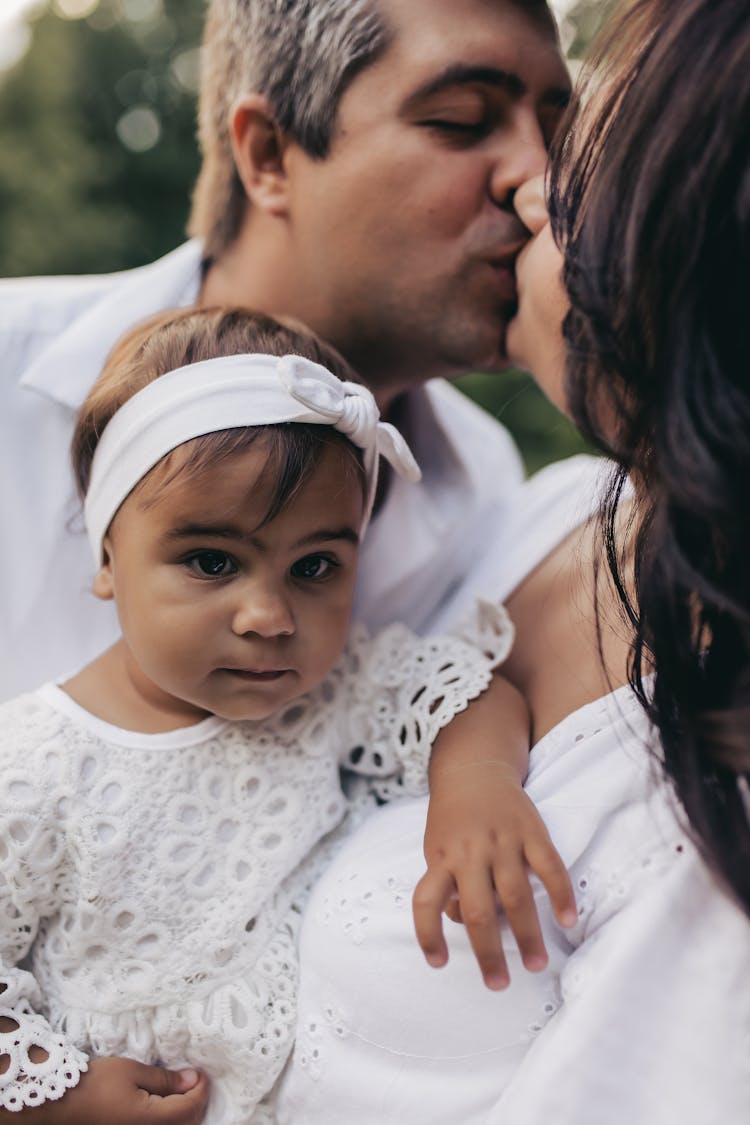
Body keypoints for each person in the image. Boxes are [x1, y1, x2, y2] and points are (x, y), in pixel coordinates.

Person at [274, 0, 750, 1121]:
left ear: (680, 252)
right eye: (462, 122)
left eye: (580, 156)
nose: (532, 187)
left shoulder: (714, 810)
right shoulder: (548, 511)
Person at [0, 306, 578, 1124]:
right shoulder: (31, 766)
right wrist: (52, 1095)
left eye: (314, 566)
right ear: (104, 556)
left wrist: (478, 788)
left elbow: (465, 693)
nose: (268, 614)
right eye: (211, 561)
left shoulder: (333, 691)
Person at [0, 0, 604, 702]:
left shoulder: (490, 496)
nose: (541, 185)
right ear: (268, 155)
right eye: (462, 120)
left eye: (560, 140)